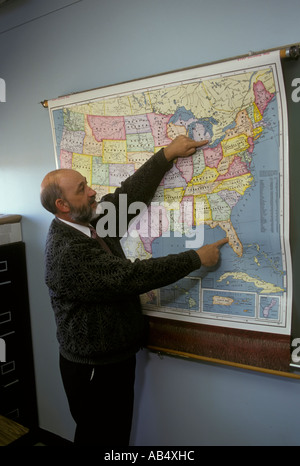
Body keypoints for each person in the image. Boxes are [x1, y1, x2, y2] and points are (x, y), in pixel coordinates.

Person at [40, 135, 228, 446]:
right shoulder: (68, 251)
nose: (92, 191)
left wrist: (166, 155)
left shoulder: (86, 222)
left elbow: (124, 199)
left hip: (114, 357)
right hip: (93, 367)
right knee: (100, 438)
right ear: (62, 205)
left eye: (86, 184)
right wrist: (196, 257)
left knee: (115, 436)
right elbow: (132, 276)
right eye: (82, 190)